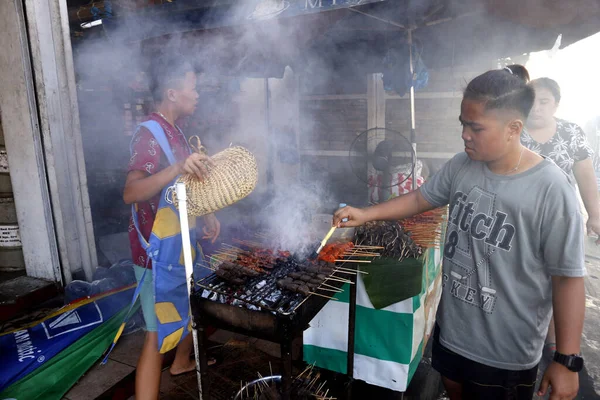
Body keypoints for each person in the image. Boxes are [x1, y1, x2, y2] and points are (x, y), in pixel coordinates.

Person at [333, 66, 586, 400]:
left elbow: (567, 278)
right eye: (463, 124)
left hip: (505, 352)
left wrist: (566, 361)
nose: (465, 134)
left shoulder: (552, 189)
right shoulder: (461, 166)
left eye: (476, 127)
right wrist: (365, 214)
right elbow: (422, 198)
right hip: (452, 334)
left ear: (514, 129)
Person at [123, 55, 220, 400]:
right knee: (155, 333)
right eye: (192, 87)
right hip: (155, 249)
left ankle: (180, 363)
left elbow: (183, 186)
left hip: (180, 239)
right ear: (172, 92)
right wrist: (178, 166)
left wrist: (206, 213)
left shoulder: (176, 131)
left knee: (187, 307)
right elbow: (132, 193)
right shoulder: (149, 134)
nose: (198, 94)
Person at [521, 77, 599, 362]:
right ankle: (522, 331)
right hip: (520, 220)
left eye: (545, 102)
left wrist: (595, 215)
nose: (537, 108)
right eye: (533, 101)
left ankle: (554, 344)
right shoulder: (514, 130)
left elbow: (585, 176)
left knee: (561, 279)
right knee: (525, 279)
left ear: (556, 104)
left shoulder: (571, 132)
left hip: (561, 221)